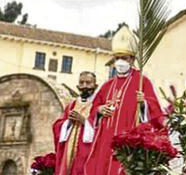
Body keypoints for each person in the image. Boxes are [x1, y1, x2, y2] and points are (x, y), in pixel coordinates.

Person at [84, 25, 164, 175]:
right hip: (105, 142)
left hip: (128, 143)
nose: (120, 62)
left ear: (132, 59)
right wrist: (99, 111)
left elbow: (156, 113)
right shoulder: (107, 85)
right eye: (117, 58)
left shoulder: (142, 82)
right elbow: (94, 110)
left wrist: (144, 103)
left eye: (124, 58)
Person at [52, 71, 98, 175]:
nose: (84, 86)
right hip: (69, 151)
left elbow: (104, 129)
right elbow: (58, 126)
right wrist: (67, 123)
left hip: (88, 151)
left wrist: (84, 122)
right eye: (81, 82)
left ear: (95, 85)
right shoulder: (72, 105)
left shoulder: (99, 104)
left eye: (88, 82)